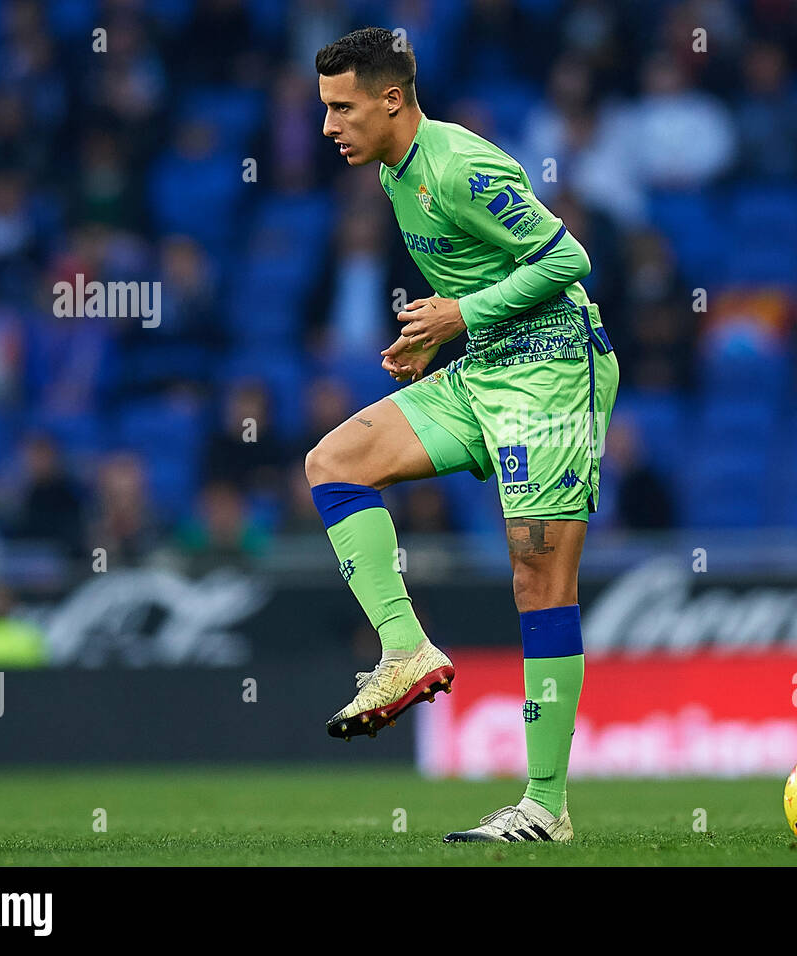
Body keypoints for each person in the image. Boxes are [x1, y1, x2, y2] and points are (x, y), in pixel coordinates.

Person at [305, 28, 618, 844]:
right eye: (325, 109)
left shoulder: (459, 165)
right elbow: (482, 278)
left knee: (536, 576)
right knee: (334, 461)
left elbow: (570, 258)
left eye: (342, 108)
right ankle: (404, 649)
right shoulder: (391, 171)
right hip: (486, 368)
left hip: (553, 367)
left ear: (391, 99)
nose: (329, 126)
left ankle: (544, 807)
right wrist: (443, 333)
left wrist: (459, 315)